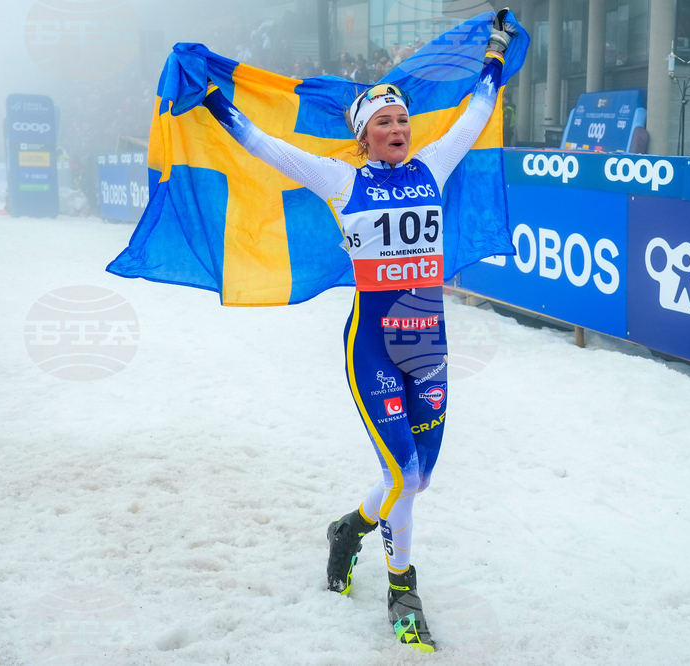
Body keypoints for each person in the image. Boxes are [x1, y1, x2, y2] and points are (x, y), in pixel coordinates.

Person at [200, 10, 516, 653]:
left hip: (428, 345)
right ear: (364, 136)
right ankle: (404, 591)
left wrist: (495, 55)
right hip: (371, 343)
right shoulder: (342, 181)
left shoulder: (434, 165)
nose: (397, 128)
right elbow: (270, 149)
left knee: (418, 478)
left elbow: (475, 115)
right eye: (384, 122)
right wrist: (215, 102)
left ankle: (349, 529)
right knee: (401, 472)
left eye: (401, 119)